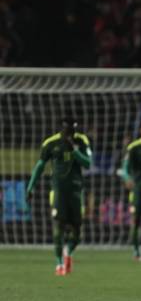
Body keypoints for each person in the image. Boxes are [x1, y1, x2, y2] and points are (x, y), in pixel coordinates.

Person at [26, 117, 92, 276]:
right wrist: (30, 187)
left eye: (73, 131)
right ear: (62, 129)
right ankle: (59, 264)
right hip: (58, 192)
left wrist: (75, 151)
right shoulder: (50, 143)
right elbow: (40, 166)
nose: (71, 134)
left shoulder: (82, 140)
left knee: (77, 233)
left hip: (76, 191)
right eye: (69, 131)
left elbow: (88, 163)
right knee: (59, 227)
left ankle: (68, 252)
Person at [121, 119, 141, 262]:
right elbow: (125, 168)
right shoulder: (134, 148)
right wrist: (127, 178)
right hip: (138, 189)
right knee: (137, 220)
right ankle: (136, 250)